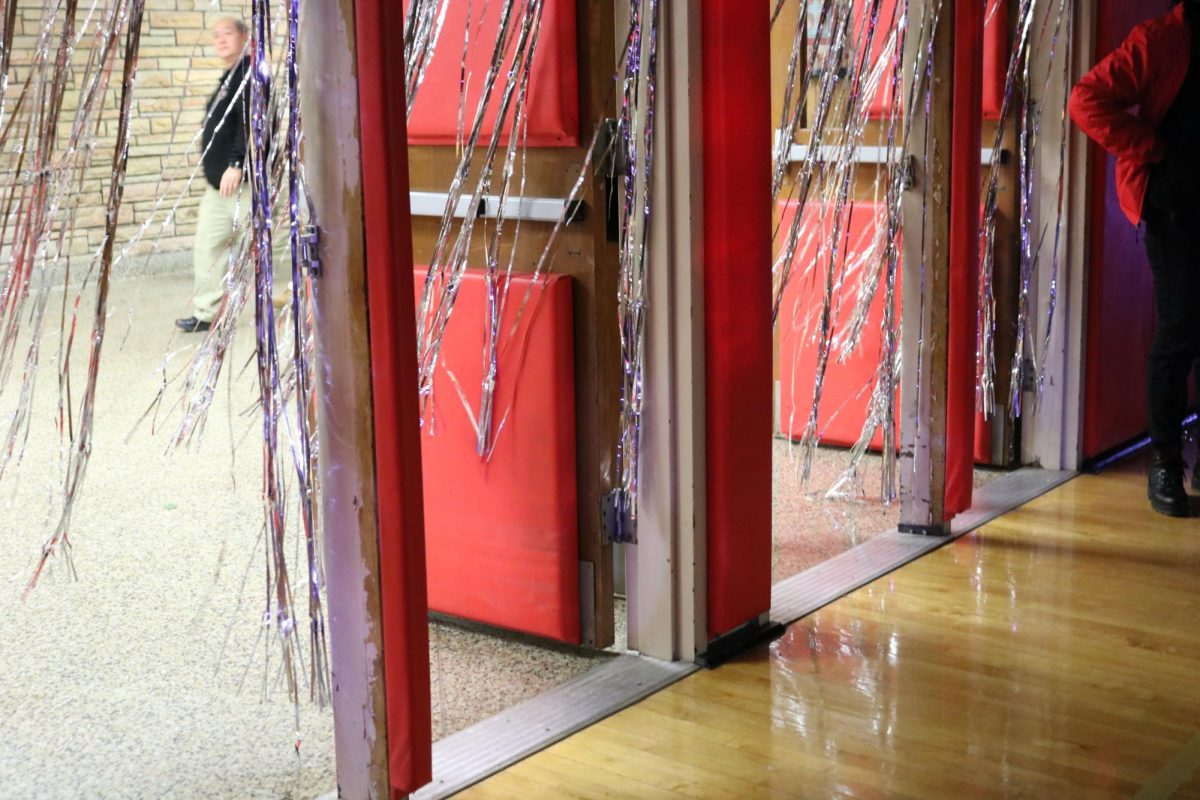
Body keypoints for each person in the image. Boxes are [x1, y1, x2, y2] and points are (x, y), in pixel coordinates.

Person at [1070, 0, 1200, 517]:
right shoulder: (1159, 39)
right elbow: (1087, 100)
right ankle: (1165, 462)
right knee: (1179, 333)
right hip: (1175, 208)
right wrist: (1148, 148)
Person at [176, 17, 289, 334]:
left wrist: (237, 164)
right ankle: (207, 312)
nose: (220, 39)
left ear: (245, 38)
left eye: (228, 33)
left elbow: (254, 123)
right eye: (216, 35)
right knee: (207, 246)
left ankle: (305, 289)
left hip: (244, 184)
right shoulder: (230, 77)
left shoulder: (255, 75)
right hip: (219, 188)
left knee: (272, 244)